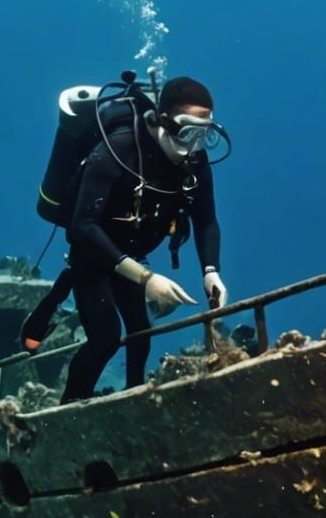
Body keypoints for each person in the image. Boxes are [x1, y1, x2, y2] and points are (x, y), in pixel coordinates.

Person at [59, 75, 228, 403]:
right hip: (93, 256)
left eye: (205, 133)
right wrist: (146, 278)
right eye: (189, 131)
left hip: (133, 255)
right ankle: (67, 411)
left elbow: (206, 219)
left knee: (141, 334)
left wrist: (211, 271)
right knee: (105, 339)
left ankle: (133, 402)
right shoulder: (119, 148)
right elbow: (81, 226)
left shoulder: (195, 161)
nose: (196, 143)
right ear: (164, 120)